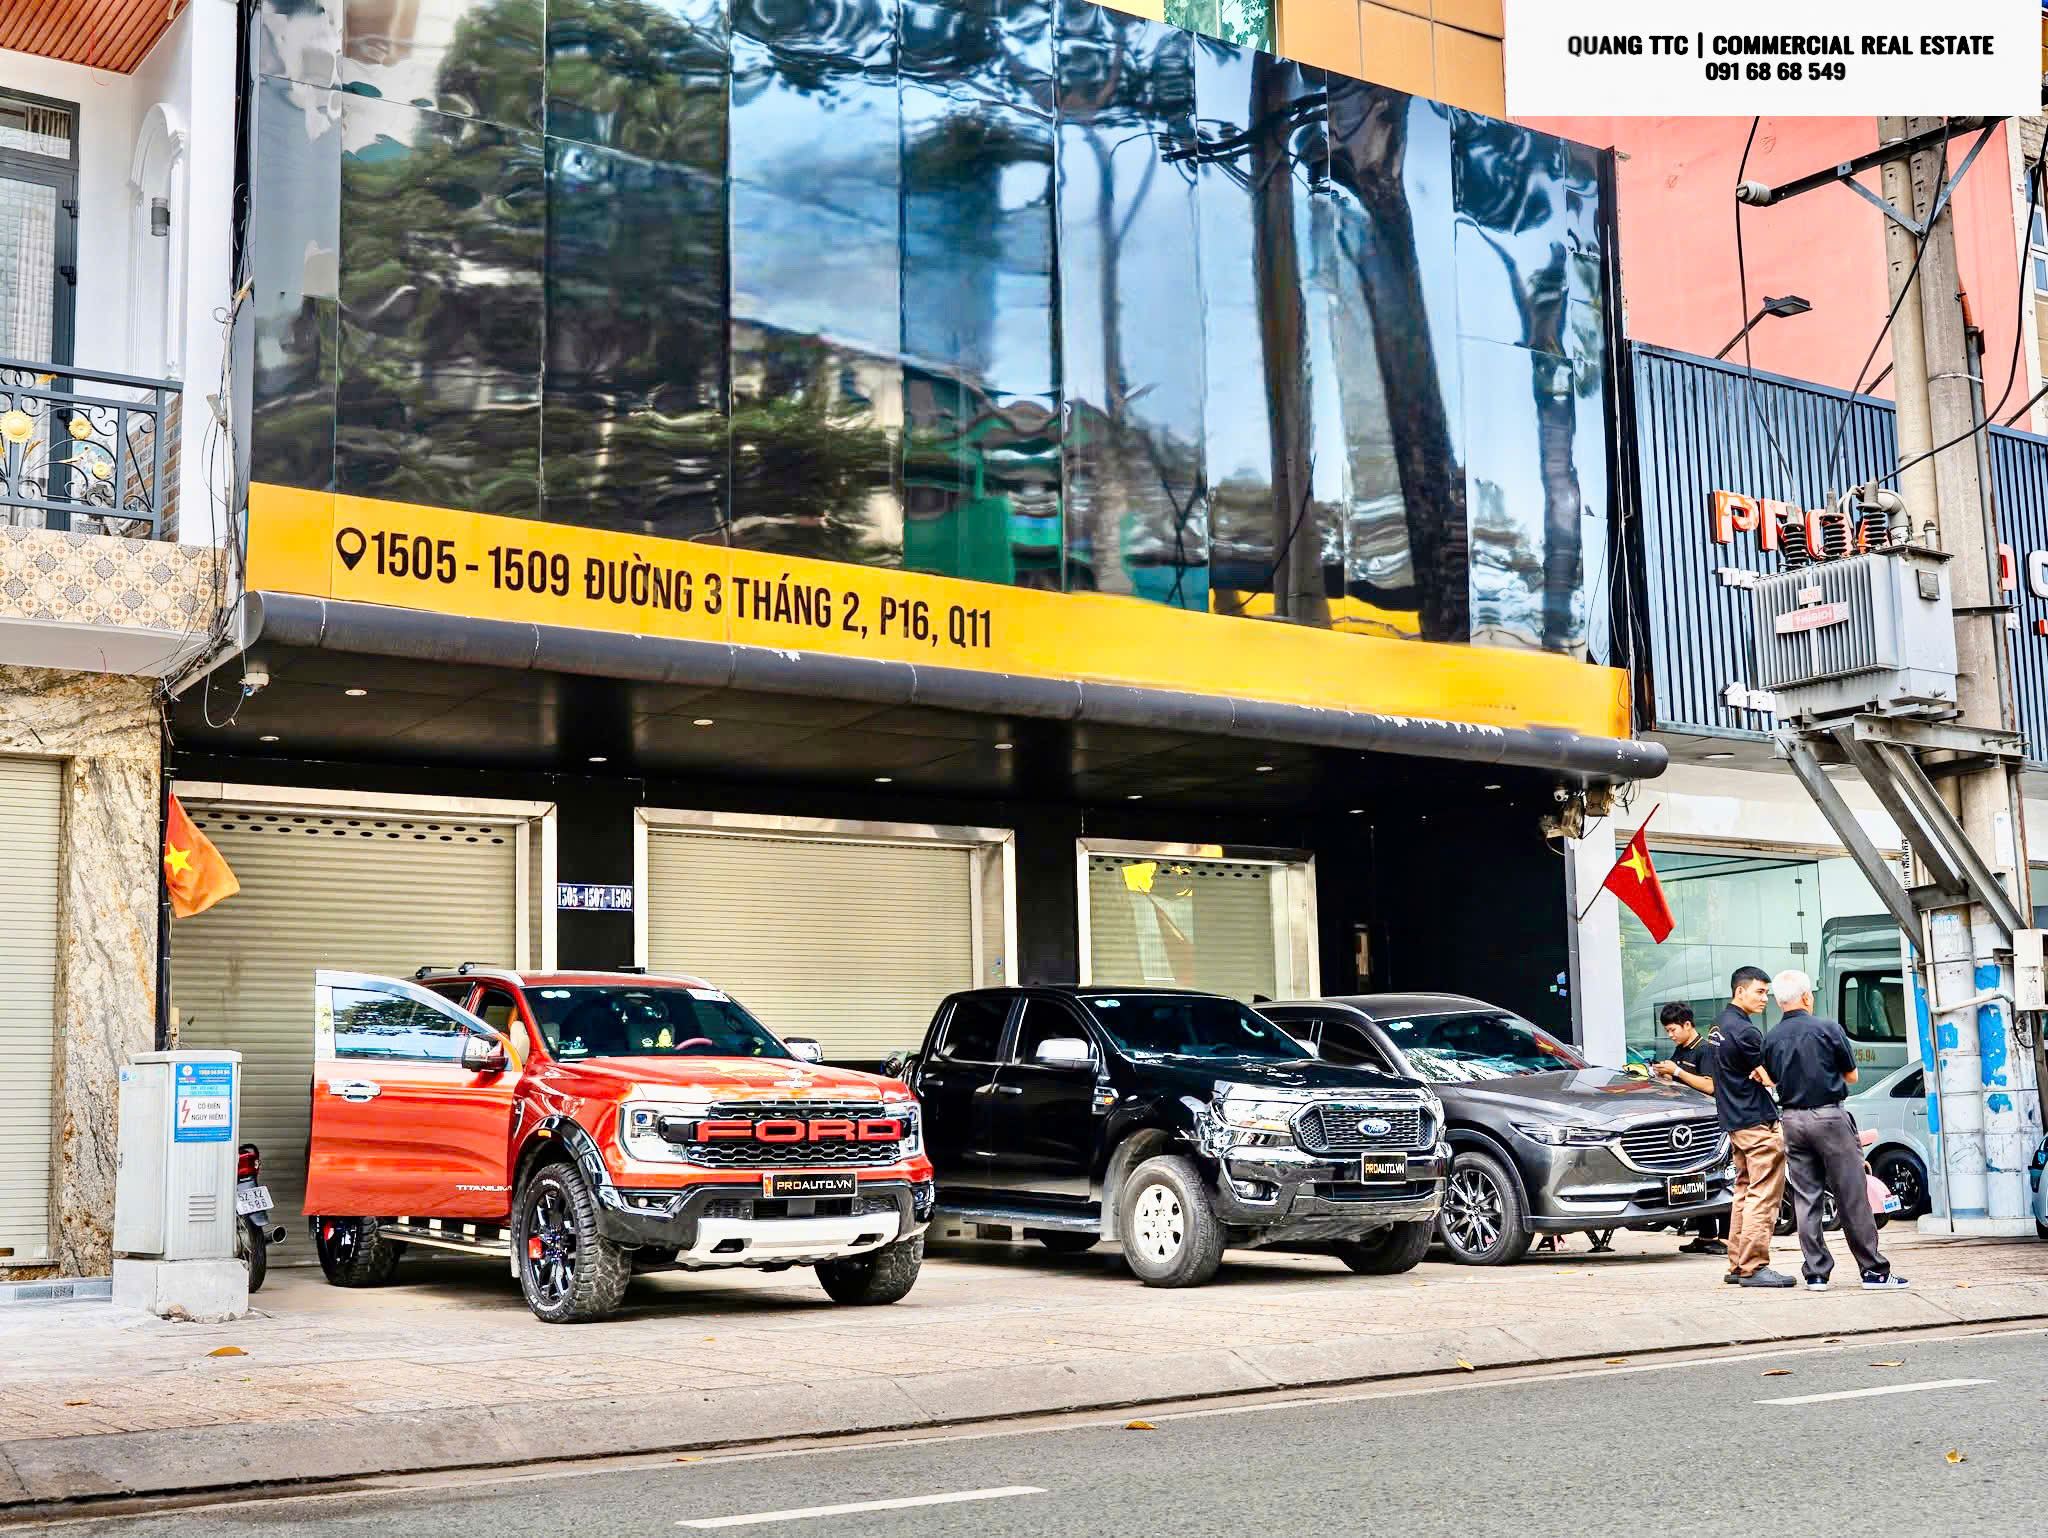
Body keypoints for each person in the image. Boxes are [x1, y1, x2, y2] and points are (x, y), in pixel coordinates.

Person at [1761, 969, 1908, 1292]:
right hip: (1829, 1117)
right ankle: (1873, 1272)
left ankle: (1816, 1273)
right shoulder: (1827, 1029)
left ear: (1778, 1001)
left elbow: (1770, 1079)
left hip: (1792, 1120)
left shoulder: (1771, 1037)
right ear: (1806, 997)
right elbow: (1852, 1076)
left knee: (1806, 1197)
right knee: (1852, 1194)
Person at [1707, 966, 1796, 1288]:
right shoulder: (1746, 1031)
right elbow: (1770, 1076)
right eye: (1759, 992)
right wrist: (1767, 1074)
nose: (1765, 999)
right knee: (1764, 1193)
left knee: (1744, 1191)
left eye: (1767, 993)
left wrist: (1759, 1072)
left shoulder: (1718, 1026)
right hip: (1756, 1121)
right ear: (1739, 991)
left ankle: (1737, 1263)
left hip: (1734, 1120)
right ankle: (1753, 1265)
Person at [1650, 1002, 1726, 1256]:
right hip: (1686, 1126)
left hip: (1710, 1125)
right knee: (1693, 1179)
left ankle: (1724, 1238)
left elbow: (1709, 1086)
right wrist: (1664, 1075)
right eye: (1667, 1031)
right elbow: (1678, 1080)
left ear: (1687, 1025)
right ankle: (1706, 1236)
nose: (1670, 1035)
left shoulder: (1705, 1050)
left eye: (1673, 1030)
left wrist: (1677, 1071)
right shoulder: (1680, 1050)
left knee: (1714, 1177)